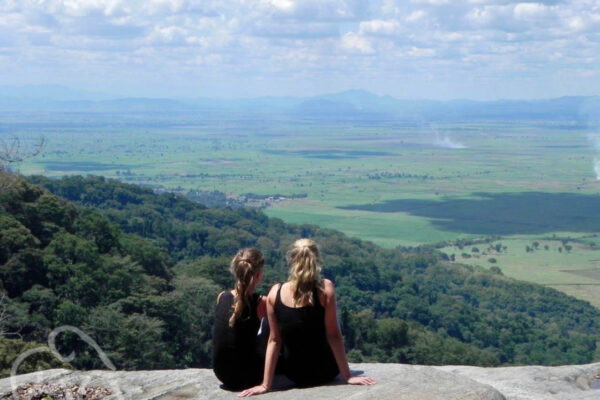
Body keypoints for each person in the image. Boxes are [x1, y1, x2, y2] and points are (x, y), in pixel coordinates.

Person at [239, 238, 376, 397]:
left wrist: (265, 384)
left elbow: (274, 340)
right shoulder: (325, 290)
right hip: (325, 371)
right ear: (316, 260)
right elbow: (334, 335)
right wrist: (348, 376)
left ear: (291, 260)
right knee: (335, 323)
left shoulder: (274, 293)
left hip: (294, 374)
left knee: (269, 329)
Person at [213, 248, 267, 391]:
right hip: (248, 376)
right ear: (258, 276)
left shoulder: (222, 296)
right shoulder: (261, 302)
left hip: (221, 373)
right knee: (270, 326)